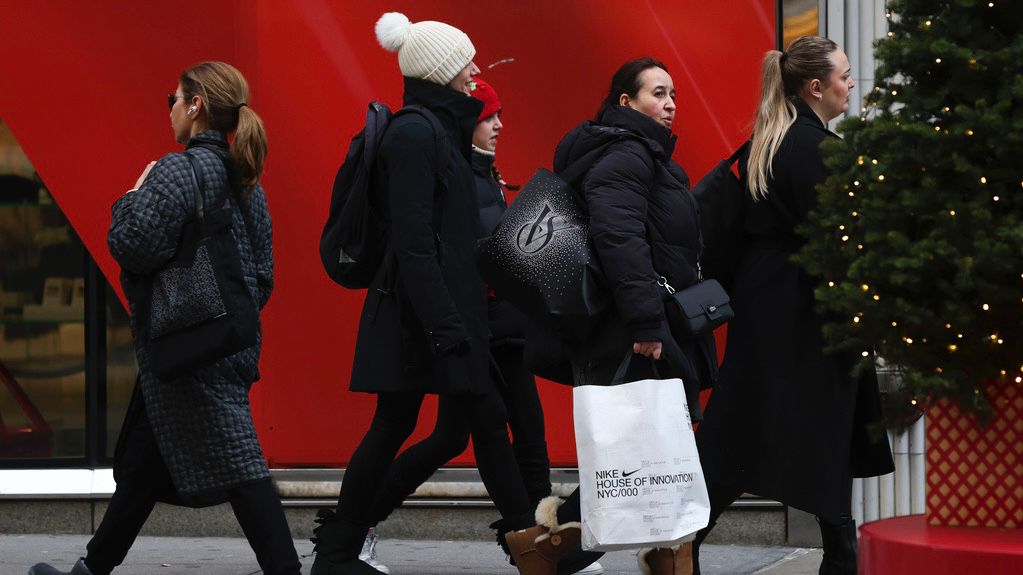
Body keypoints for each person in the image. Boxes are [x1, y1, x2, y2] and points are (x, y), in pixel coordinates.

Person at [28, 62, 299, 575]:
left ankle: (286, 570)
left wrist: (131, 198)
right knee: (144, 466)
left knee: (243, 466)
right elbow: (261, 278)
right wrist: (219, 318)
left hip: (186, 352)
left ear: (196, 106)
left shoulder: (177, 171)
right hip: (225, 345)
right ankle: (92, 568)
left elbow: (131, 245)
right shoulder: (247, 182)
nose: (170, 110)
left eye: (173, 99)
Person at [309, 14, 538, 575]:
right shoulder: (415, 135)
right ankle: (338, 552)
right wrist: (447, 325)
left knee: (465, 422)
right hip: (423, 319)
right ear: (440, 71)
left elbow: (446, 239)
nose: (475, 69)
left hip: (438, 315)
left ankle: (532, 549)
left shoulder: (439, 131)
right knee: (406, 425)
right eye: (465, 62)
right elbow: (414, 245)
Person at [357, 78, 603, 575]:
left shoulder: (487, 172)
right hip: (475, 331)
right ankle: (360, 522)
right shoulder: (456, 174)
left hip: (505, 328)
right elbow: (448, 254)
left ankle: (543, 540)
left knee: (509, 431)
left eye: (499, 114)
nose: (498, 125)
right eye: (489, 116)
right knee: (473, 433)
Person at [505, 57, 716, 575]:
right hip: (633, 327)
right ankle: (548, 545)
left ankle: (654, 551)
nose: (670, 104)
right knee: (646, 450)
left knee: (658, 447)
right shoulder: (627, 155)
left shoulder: (647, 158)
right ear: (626, 102)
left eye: (673, 94)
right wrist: (645, 321)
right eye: (658, 93)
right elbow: (619, 239)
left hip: (646, 320)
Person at [692, 36, 895, 575]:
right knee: (819, 425)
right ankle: (839, 553)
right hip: (809, 307)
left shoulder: (770, 140)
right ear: (816, 87)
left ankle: (683, 542)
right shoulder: (817, 149)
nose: (850, 83)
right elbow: (842, 240)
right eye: (844, 75)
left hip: (767, 300)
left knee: (748, 427)